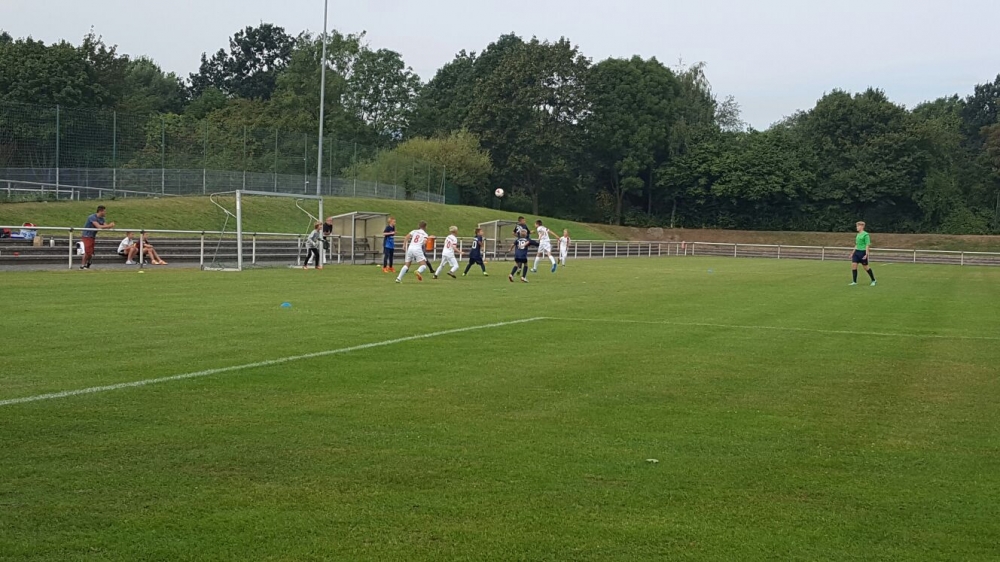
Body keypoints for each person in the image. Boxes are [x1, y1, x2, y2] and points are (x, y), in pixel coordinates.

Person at [80, 205, 115, 269]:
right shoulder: (92, 217)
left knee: (90, 252)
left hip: (92, 236)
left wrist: (110, 226)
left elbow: (105, 226)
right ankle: (82, 265)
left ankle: (88, 262)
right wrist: (109, 226)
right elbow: (98, 226)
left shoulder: (102, 219)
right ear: (100, 211)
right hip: (86, 236)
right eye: (104, 211)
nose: (105, 213)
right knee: (87, 251)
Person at [850, 221, 876, 287]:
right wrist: (852, 253)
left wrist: (866, 254)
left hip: (862, 252)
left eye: (858, 226)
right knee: (853, 266)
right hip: (857, 252)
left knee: (866, 267)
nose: (856, 227)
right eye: (857, 226)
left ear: (862, 227)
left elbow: (867, 245)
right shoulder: (858, 234)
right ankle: (854, 281)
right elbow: (856, 244)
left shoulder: (866, 235)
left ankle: (873, 280)